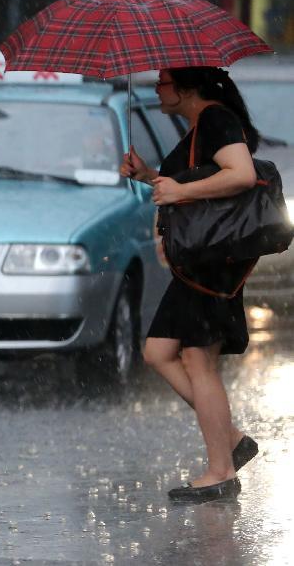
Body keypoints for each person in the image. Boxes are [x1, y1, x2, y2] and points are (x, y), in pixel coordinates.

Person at [122, 66, 261, 503]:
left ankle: (221, 469)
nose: (157, 88)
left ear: (186, 88)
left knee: (199, 359)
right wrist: (150, 177)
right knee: (158, 352)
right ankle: (231, 440)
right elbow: (194, 181)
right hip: (200, 261)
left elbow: (240, 174)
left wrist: (179, 193)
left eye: (162, 82)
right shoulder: (202, 127)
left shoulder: (217, 119)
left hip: (212, 262)